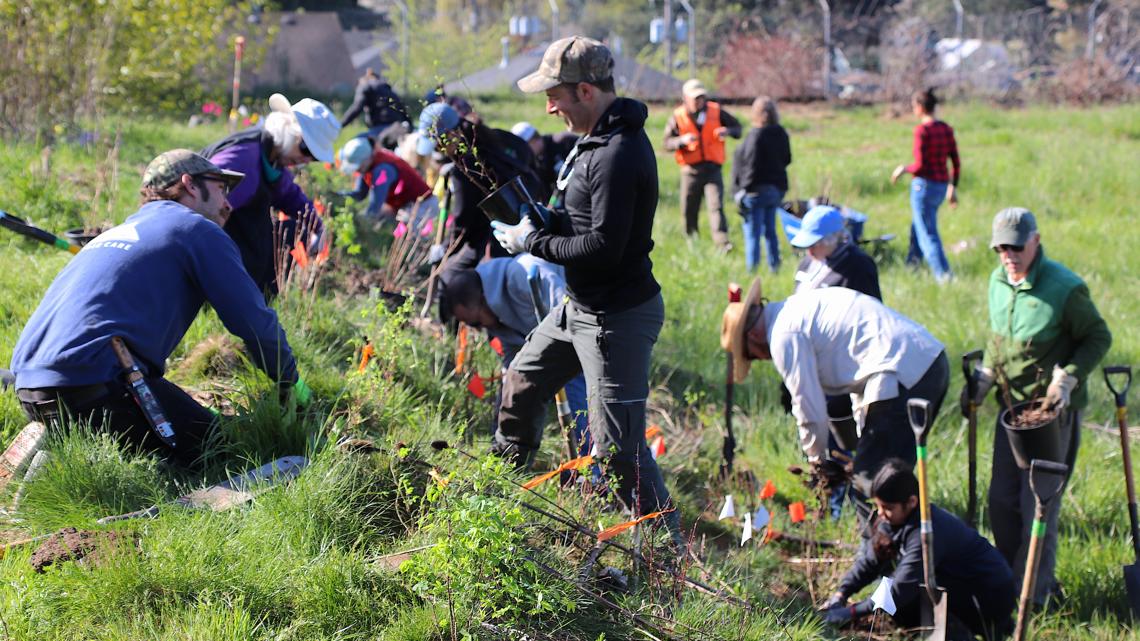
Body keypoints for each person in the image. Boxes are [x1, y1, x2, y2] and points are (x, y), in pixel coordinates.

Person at [488, 36, 681, 542]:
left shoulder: (619, 153)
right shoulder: (593, 139)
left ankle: (667, 557)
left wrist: (534, 243)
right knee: (523, 382)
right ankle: (498, 492)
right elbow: (581, 221)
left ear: (587, 90)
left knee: (618, 451)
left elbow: (603, 246)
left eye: (555, 95)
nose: (549, 107)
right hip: (579, 309)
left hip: (617, 318)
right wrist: (541, 220)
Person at [9, 150, 310, 467]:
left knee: (185, 419)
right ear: (190, 185)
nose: (228, 204)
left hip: (31, 388)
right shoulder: (196, 230)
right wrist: (290, 380)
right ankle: (58, 470)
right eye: (222, 188)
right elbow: (253, 321)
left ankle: (60, 454)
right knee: (225, 452)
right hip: (95, 386)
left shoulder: (114, 234)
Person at [963, 207, 1111, 606]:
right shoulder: (998, 281)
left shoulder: (1065, 288)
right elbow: (1000, 337)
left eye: (1016, 245)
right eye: (1000, 247)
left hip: (1050, 414)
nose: (1008, 255)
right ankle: (1016, 578)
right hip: (1011, 411)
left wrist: (1069, 378)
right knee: (1001, 502)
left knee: (1038, 507)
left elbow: (1098, 336)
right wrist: (985, 377)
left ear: (1036, 241)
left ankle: (1033, 597)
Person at [720, 280, 948, 502]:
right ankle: (911, 533)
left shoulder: (784, 336)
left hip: (903, 374)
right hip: (927, 362)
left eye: (750, 355)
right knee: (890, 480)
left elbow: (809, 408)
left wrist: (817, 463)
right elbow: (856, 364)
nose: (760, 359)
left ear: (753, 337)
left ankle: (881, 539)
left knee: (869, 487)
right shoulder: (799, 308)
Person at [819, 460, 1016, 639]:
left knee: (904, 598)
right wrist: (841, 594)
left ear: (911, 502)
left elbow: (900, 589)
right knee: (897, 592)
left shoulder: (928, 532)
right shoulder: (896, 518)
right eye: (878, 506)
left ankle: (962, 633)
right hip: (956, 582)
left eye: (887, 507)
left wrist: (852, 612)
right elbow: (872, 559)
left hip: (989, 594)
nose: (881, 513)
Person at [438, 254, 591, 459]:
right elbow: (515, 362)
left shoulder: (523, 275)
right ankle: (511, 460)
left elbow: (571, 314)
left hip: (590, 333)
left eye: (475, 322)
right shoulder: (497, 317)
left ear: (484, 298)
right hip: (562, 347)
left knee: (576, 394)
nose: (480, 328)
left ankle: (593, 470)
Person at [202, 93, 341, 294]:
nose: (305, 161)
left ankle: (260, 297)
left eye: (313, 157)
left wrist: (318, 228)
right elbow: (200, 211)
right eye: (305, 150)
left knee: (294, 230)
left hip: (233, 240)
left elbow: (289, 194)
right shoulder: (243, 161)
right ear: (289, 133)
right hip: (215, 250)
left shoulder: (270, 156)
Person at [416, 102, 545, 277]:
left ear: (453, 134)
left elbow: (464, 223)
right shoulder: (499, 137)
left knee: (449, 276)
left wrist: (444, 249)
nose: (440, 151)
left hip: (502, 238)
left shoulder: (465, 169)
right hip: (536, 218)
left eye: (440, 145)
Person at [663, 79, 742, 252]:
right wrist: (681, 141)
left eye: (701, 97)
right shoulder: (677, 116)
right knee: (689, 208)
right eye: (695, 98)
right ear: (685, 98)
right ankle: (691, 242)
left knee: (716, 206)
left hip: (713, 169)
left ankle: (722, 243)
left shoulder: (716, 110)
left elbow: (738, 129)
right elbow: (667, 142)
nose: (699, 101)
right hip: (690, 171)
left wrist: (726, 131)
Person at [890, 88, 960, 284]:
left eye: (914, 106)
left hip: (924, 187)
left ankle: (944, 277)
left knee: (928, 234)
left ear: (920, 107)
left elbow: (920, 165)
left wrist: (904, 169)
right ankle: (912, 266)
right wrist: (952, 186)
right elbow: (955, 161)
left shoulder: (922, 131)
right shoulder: (946, 129)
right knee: (918, 225)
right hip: (940, 187)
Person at [731, 96, 791, 273]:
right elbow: (787, 159)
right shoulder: (781, 133)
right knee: (770, 231)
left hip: (755, 192)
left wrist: (743, 190)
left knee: (753, 233)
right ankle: (774, 267)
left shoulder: (755, 136)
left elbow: (750, 164)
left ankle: (752, 271)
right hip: (776, 191)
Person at [336, 136, 437, 232]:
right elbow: (360, 193)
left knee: (393, 231)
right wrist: (336, 196)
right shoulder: (369, 163)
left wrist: (357, 224)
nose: (357, 170)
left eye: (358, 165)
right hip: (403, 204)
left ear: (367, 158)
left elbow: (374, 208)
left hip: (423, 206)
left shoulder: (382, 171)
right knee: (381, 223)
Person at [790, 205, 881, 301]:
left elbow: (870, 309)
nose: (809, 251)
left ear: (834, 238)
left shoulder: (859, 265)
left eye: (815, 244)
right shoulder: (809, 261)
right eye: (807, 244)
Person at [510, 121, 580, 197]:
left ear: (534, 140)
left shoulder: (564, 142)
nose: (523, 153)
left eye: (524, 148)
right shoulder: (534, 162)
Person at [339, 68, 410, 137]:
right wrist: (410, 126)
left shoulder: (364, 86)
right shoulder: (387, 89)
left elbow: (357, 107)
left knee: (355, 142)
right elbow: (401, 107)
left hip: (379, 129)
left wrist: (340, 125)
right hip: (396, 129)